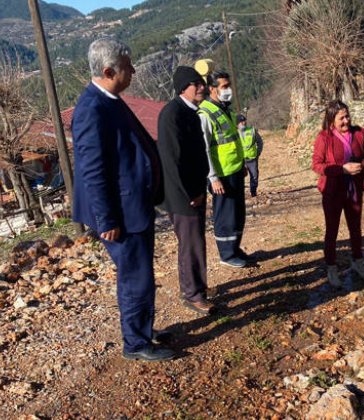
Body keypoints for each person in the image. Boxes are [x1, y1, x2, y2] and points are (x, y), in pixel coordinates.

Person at [72, 38, 175, 361]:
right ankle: (136, 343)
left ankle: (142, 328)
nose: (132, 71)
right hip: (121, 214)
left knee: (141, 274)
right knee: (135, 277)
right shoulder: (92, 109)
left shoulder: (110, 99)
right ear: (108, 71)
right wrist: (107, 220)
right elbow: (93, 172)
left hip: (135, 206)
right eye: (127, 67)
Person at [157, 66, 216, 316]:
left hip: (195, 191)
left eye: (202, 83)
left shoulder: (190, 112)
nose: (202, 87)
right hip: (183, 195)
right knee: (190, 243)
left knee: (196, 241)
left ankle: (198, 287)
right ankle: (192, 294)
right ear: (183, 88)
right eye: (197, 84)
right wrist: (189, 194)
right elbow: (172, 160)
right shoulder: (172, 114)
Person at [312, 100, 364, 287]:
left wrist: (362, 165)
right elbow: (317, 165)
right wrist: (342, 170)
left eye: (347, 116)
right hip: (333, 191)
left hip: (354, 189)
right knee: (332, 230)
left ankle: (358, 261)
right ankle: (331, 267)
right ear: (331, 120)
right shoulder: (324, 138)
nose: (346, 121)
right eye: (341, 118)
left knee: (355, 228)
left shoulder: (359, 134)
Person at [198, 71, 249, 268]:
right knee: (225, 215)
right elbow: (204, 149)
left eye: (228, 86)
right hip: (221, 175)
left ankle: (235, 248)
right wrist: (213, 177)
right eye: (224, 87)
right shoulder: (206, 113)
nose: (228, 90)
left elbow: (233, 140)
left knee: (237, 213)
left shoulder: (225, 109)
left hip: (235, 170)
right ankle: (226, 254)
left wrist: (242, 163)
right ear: (212, 89)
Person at [238, 114, 264, 198]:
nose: (244, 123)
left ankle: (253, 193)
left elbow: (260, 142)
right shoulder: (234, 133)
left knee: (254, 176)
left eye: (244, 120)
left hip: (252, 158)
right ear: (237, 124)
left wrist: (258, 152)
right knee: (239, 178)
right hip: (240, 160)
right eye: (241, 121)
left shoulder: (252, 130)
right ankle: (240, 194)